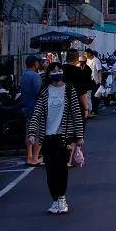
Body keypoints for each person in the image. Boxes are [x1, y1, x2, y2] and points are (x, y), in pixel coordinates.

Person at [27, 62, 84, 215]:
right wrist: (32, 133)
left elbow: (76, 114)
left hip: (64, 137)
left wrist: (79, 136)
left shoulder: (69, 90)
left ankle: (62, 198)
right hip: (48, 137)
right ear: (49, 74)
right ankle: (54, 200)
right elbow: (37, 113)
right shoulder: (45, 91)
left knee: (61, 169)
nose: (57, 73)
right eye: (54, 71)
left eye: (59, 70)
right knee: (50, 171)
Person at [20, 55, 44, 166]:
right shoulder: (35, 76)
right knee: (39, 134)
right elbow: (38, 92)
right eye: (38, 62)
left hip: (26, 107)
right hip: (36, 108)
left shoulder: (24, 75)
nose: (39, 64)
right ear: (35, 63)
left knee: (29, 132)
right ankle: (35, 157)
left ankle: (29, 157)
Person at [84, 49, 102, 117]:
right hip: (89, 80)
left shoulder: (96, 61)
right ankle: (91, 111)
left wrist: (100, 81)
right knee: (90, 96)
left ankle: (95, 110)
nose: (85, 55)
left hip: (95, 81)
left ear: (89, 53)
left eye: (86, 54)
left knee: (95, 97)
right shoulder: (87, 61)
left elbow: (99, 71)